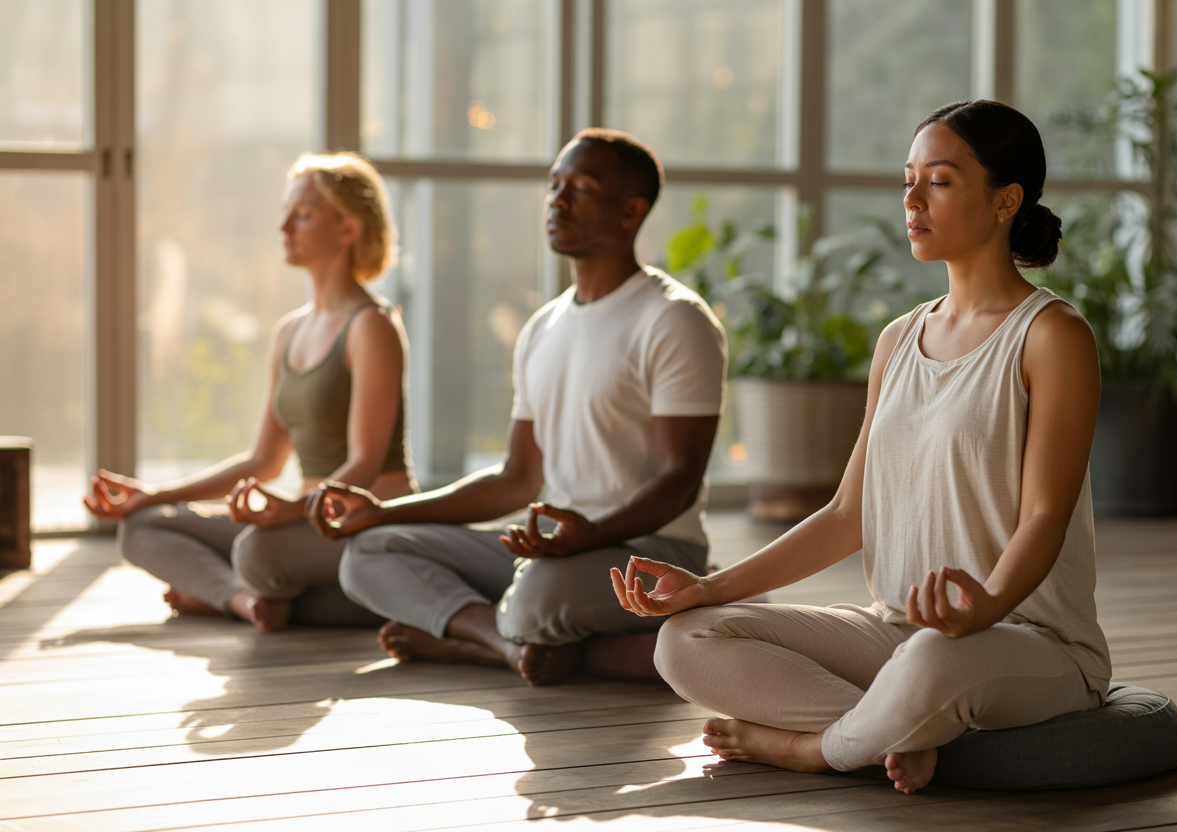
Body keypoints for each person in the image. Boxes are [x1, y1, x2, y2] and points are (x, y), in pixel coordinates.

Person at [611, 100, 1113, 795]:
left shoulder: (1052, 336)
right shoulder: (899, 340)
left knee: (932, 664)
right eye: (908, 178)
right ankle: (900, 732)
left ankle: (816, 749)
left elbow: (1044, 520)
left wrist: (987, 606)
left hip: (1028, 641)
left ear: (1006, 201)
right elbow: (850, 513)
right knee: (687, 638)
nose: (911, 199)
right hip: (898, 633)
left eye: (938, 180)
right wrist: (705, 588)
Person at [309, 128, 727, 686]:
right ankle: (502, 644)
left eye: (579, 188)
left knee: (536, 596)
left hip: (646, 553)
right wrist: (382, 512)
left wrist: (589, 536)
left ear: (631, 211)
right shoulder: (541, 328)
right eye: (554, 185)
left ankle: (477, 638)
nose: (557, 200)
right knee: (367, 552)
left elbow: (680, 479)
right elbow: (516, 479)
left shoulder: (675, 320)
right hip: (557, 549)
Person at [84, 152, 415, 632]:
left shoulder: (372, 327)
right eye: (286, 212)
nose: (284, 226)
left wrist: (292, 512)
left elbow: (363, 466)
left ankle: (229, 593)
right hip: (301, 517)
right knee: (143, 526)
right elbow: (265, 461)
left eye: (302, 214)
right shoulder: (289, 332)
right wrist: (154, 494)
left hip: (361, 520)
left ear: (348, 229)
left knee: (258, 550)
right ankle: (244, 600)